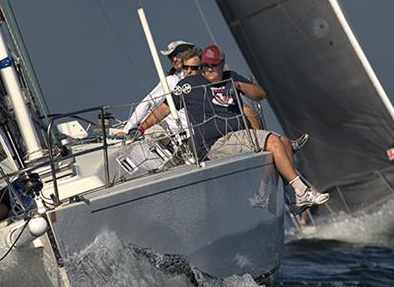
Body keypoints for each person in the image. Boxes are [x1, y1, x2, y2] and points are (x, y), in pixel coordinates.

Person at [134, 45, 328, 209]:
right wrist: (141, 128)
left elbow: (260, 95)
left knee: (284, 142)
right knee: (273, 142)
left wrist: (239, 85)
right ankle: (301, 191)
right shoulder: (189, 85)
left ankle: (266, 195)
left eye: (213, 65)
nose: (209, 69)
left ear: (222, 64)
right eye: (205, 66)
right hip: (215, 143)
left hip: (238, 136)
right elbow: (164, 109)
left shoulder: (230, 77)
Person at [123, 41, 197, 135]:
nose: (174, 59)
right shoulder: (172, 81)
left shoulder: (198, 79)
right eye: (170, 57)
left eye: (178, 55)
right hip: (185, 135)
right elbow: (148, 103)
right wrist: (128, 129)